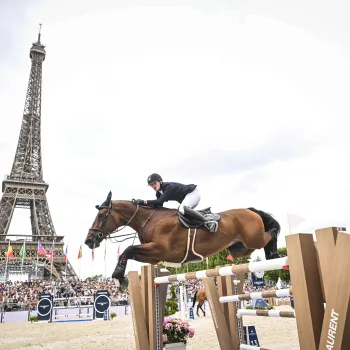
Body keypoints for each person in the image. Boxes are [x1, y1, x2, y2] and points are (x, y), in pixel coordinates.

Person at [132, 173, 206, 222]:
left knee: (181, 208)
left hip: (193, 194)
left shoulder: (168, 187)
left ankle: (207, 222)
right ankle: (203, 215)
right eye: (151, 185)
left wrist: (143, 201)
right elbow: (157, 206)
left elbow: (160, 201)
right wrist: (140, 205)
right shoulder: (159, 193)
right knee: (182, 213)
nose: (153, 186)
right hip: (188, 198)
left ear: (160, 181)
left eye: (154, 183)